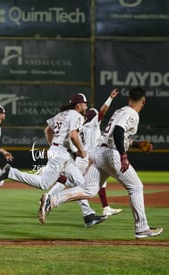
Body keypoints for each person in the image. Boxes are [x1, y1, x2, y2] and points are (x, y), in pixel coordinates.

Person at [39, 87, 163, 239]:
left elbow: (118, 134)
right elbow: (118, 131)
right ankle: (142, 228)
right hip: (111, 154)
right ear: (143, 101)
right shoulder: (132, 114)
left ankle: (52, 200)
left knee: (89, 190)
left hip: (98, 152)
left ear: (128, 99)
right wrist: (123, 156)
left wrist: (137, 145)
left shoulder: (121, 111)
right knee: (136, 187)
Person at [0, 93, 106, 227]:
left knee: (80, 184)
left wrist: (53, 145)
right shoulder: (77, 116)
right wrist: (81, 151)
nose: (86, 106)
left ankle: (89, 216)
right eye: (85, 103)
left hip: (61, 153)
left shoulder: (61, 115)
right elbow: (73, 135)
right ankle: (11, 173)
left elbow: (47, 130)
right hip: (61, 154)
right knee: (44, 184)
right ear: (78, 105)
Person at [76, 89, 122, 217]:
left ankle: (105, 208)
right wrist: (110, 98)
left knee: (100, 182)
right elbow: (102, 111)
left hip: (87, 156)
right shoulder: (93, 124)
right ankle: (51, 198)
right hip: (87, 158)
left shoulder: (79, 125)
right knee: (76, 185)